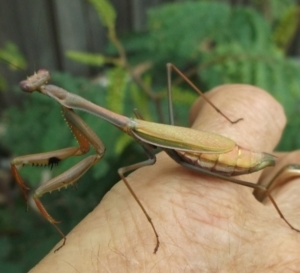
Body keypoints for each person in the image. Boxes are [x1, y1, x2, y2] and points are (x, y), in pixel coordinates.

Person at [30, 84, 300, 272]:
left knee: (122, 172)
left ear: (64, 102)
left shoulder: (121, 125)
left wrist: (154, 227)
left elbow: (89, 151)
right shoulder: (128, 122)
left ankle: (287, 220)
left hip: (213, 155)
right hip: (197, 148)